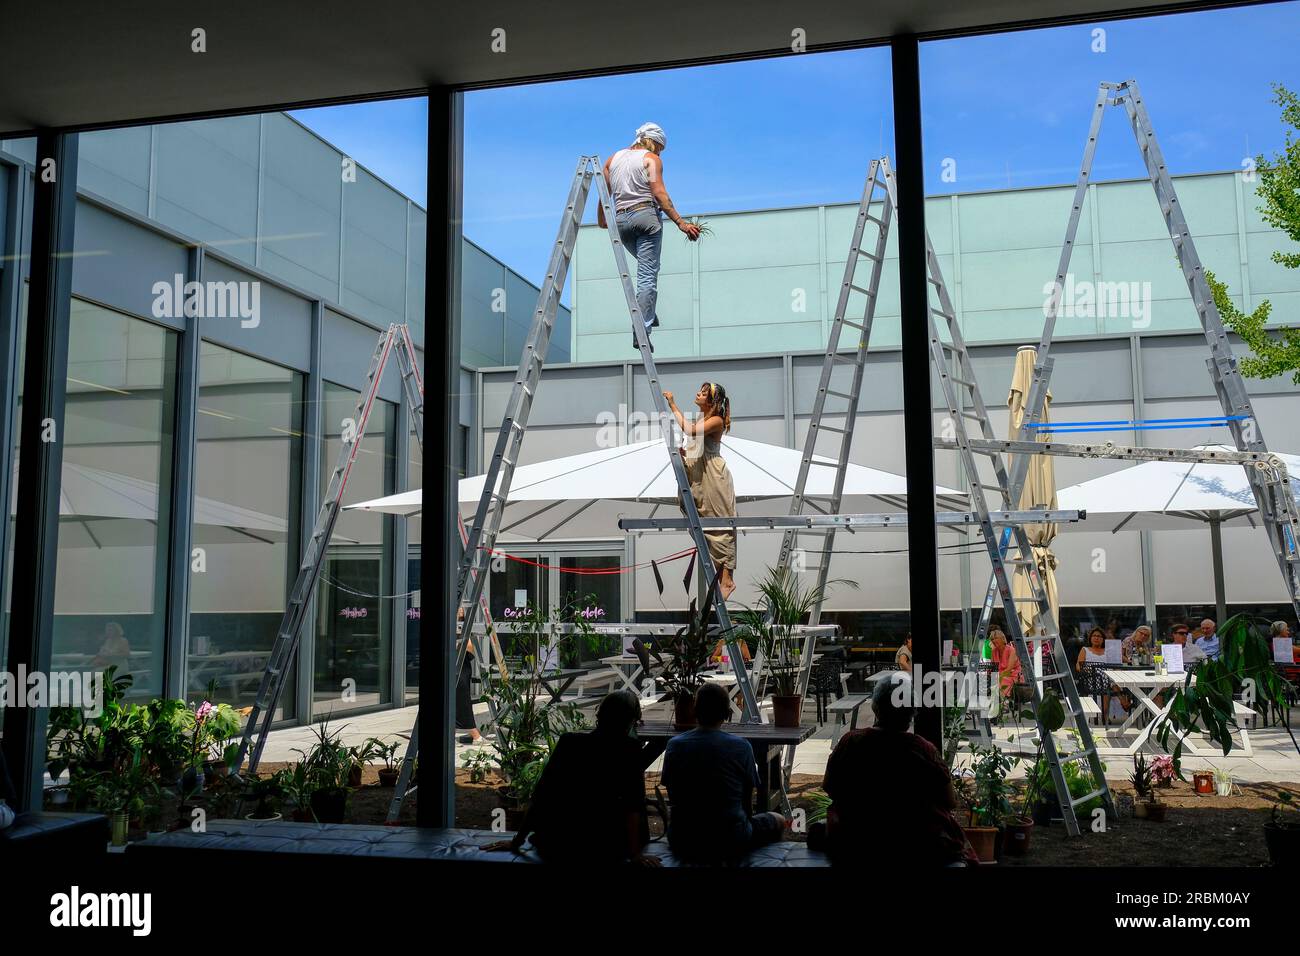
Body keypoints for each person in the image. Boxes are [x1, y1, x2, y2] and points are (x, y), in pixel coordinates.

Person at [822, 675, 978, 866]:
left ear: (875, 707)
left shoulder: (851, 743)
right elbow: (949, 801)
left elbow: (830, 787)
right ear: (911, 712)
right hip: (914, 845)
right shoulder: (923, 750)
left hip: (855, 841)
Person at [490, 691, 659, 866]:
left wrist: (517, 841)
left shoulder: (569, 743)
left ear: (599, 714)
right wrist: (636, 854)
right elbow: (632, 806)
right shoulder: (629, 751)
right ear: (633, 719)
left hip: (558, 843)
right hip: (605, 847)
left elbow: (541, 797)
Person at [597, 123, 700, 352]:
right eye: (660, 148)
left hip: (622, 222)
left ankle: (648, 312)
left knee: (649, 269)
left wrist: (602, 218)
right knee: (647, 276)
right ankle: (641, 328)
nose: (660, 153)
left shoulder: (612, 159)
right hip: (646, 218)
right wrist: (681, 223)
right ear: (654, 142)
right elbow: (659, 193)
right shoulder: (650, 160)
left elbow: (604, 194)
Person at [661, 682, 787, 864]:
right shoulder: (741, 747)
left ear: (695, 710)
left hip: (683, 838)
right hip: (730, 837)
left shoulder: (675, 745)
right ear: (727, 713)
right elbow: (746, 800)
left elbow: (673, 794)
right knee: (779, 819)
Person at [664, 383, 738, 599]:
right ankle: (721, 576)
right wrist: (684, 452)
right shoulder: (702, 420)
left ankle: (727, 579)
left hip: (713, 476)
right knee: (702, 524)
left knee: (720, 523)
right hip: (698, 474)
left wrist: (673, 405)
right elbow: (695, 446)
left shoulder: (715, 421)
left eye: (704, 393)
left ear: (712, 402)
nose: (698, 393)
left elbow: (690, 431)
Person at [988, 628, 1022, 699]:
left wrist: (998, 676)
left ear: (1002, 638)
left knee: (1002, 680)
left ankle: (1004, 702)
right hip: (1000, 675)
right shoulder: (994, 651)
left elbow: (1009, 669)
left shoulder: (1011, 650)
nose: (994, 640)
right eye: (992, 639)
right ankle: (1000, 702)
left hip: (1013, 675)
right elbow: (993, 668)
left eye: (996, 638)